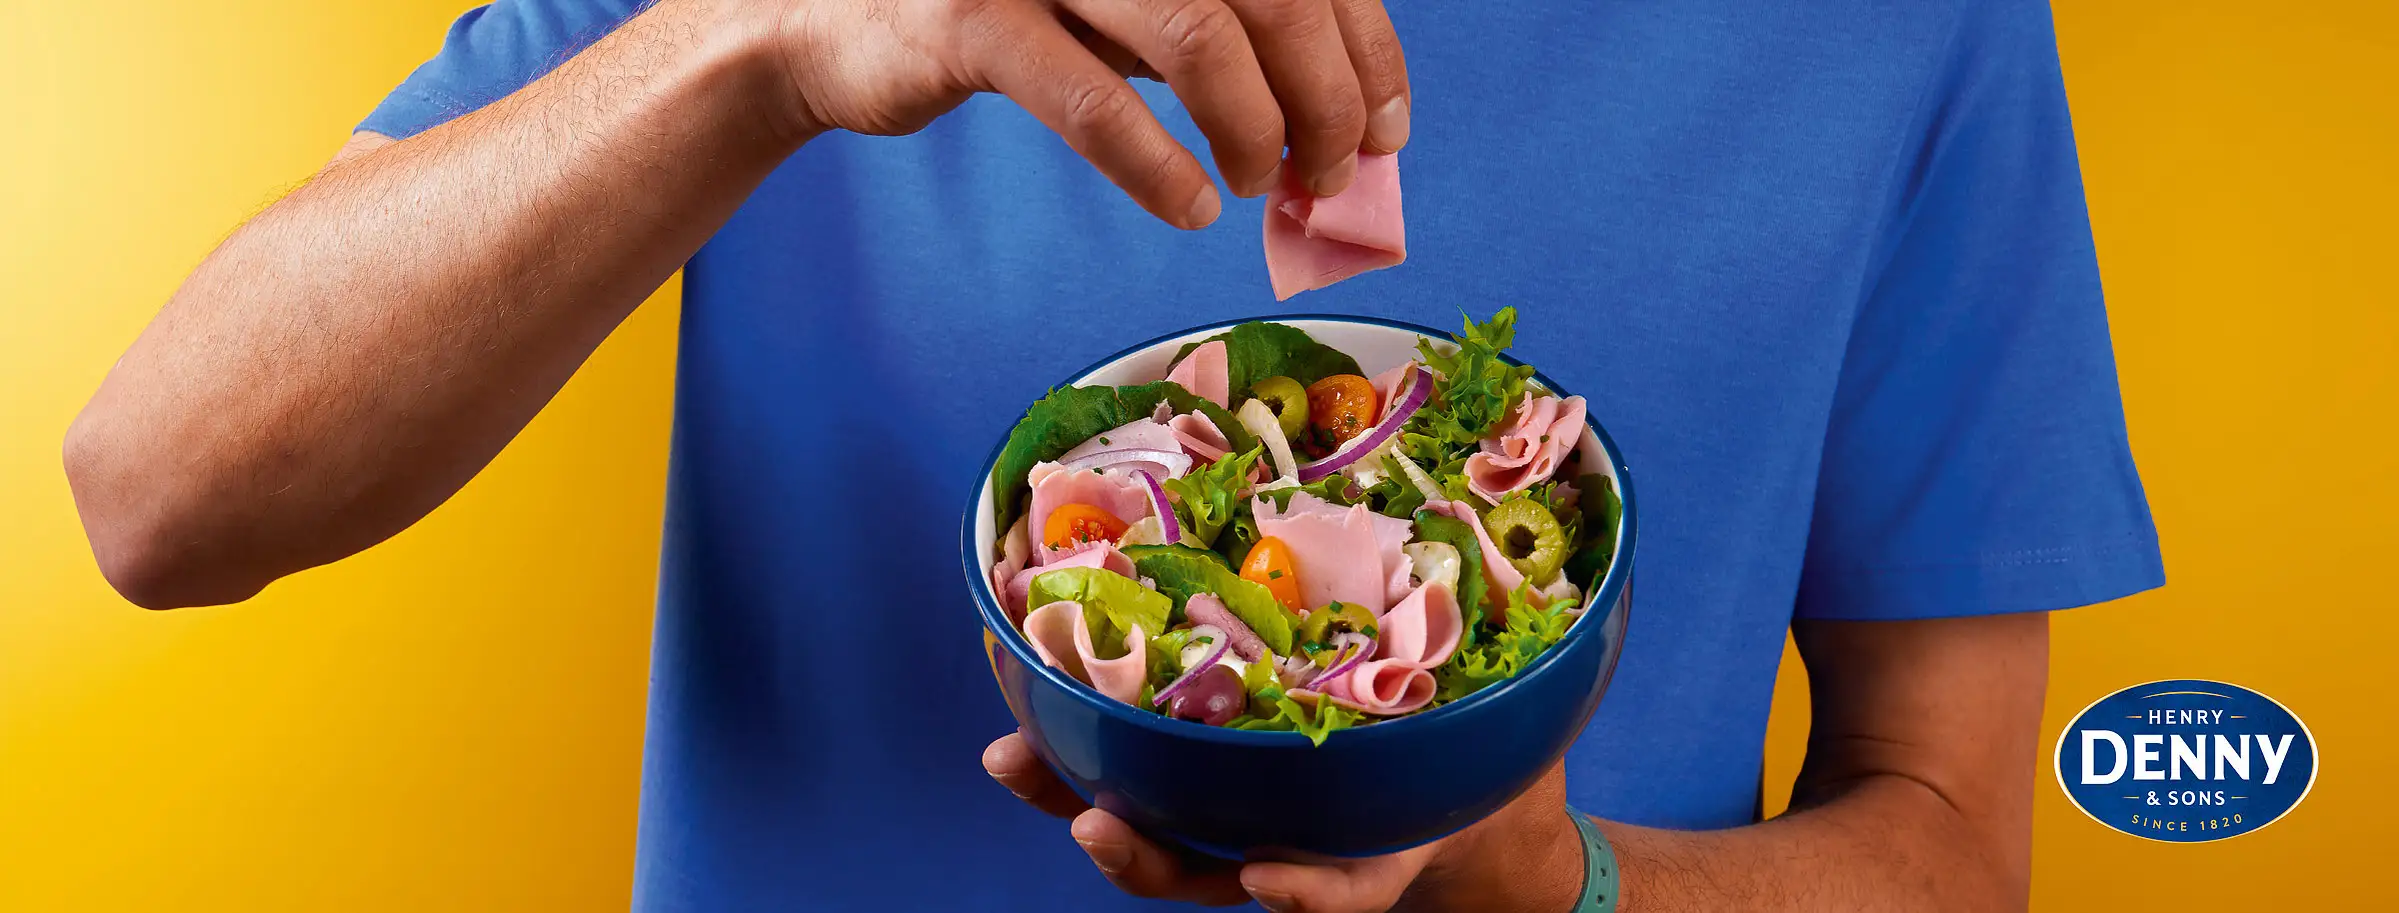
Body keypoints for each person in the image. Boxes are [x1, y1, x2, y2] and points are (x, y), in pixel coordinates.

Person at [63, 0, 2163, 909]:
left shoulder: (1915, 25)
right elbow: (162, 488)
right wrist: (758, 40)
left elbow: (1948, 844)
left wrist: (1556, 884)